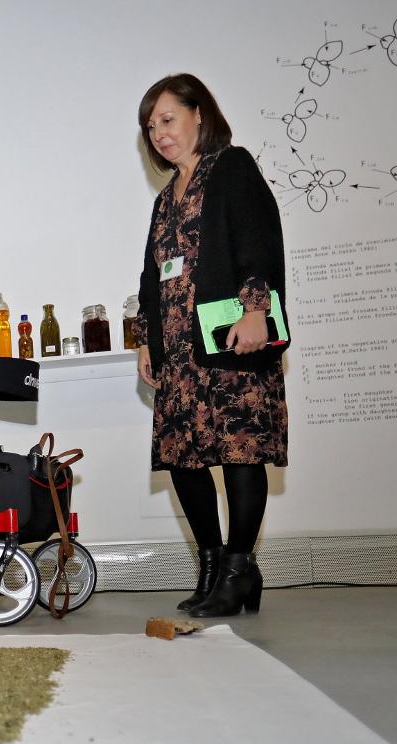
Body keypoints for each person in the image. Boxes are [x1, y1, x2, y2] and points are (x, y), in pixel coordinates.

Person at [134, 74, 289, 618]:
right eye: (151, 127)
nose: (159, 133)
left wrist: (256, 310)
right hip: (179, 355)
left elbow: (259, 240)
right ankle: (211, 566)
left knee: (241, 453)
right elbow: (152, 277)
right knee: (184, 458)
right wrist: (146, 340)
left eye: (168, 119)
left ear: (200, 114)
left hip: (229, 342)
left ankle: (239, 570)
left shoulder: (232, 168)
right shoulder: (162, 201)